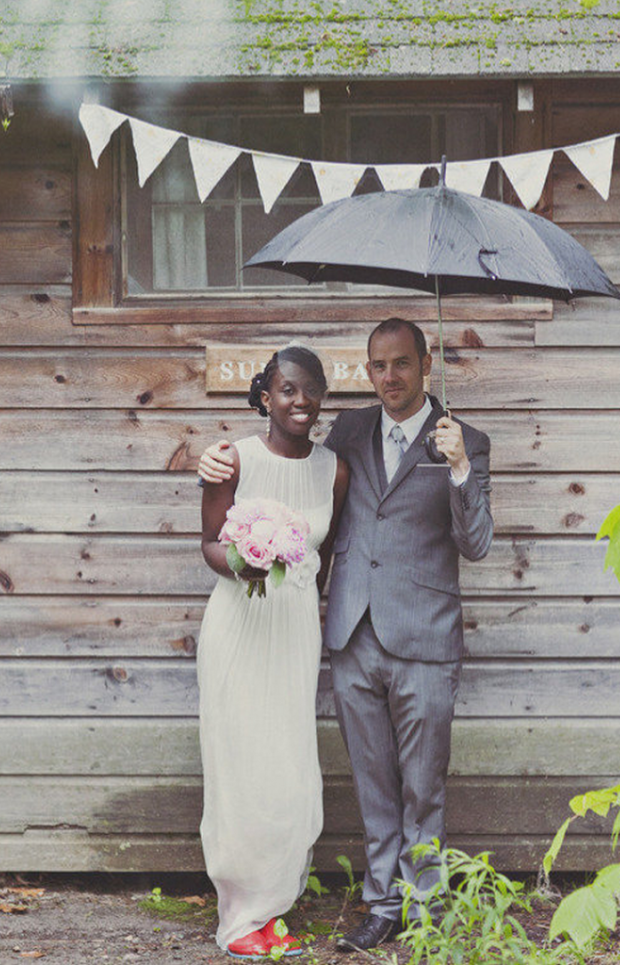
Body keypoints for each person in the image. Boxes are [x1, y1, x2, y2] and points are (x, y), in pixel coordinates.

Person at [198, 319, 492, 953]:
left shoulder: (465, 441)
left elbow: (476, 544)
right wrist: (213, 457)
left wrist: (461, 466)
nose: (390, 377)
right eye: (378, 366)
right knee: (373, 781)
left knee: (423, 783)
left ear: (425, 361)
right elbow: (286, 453)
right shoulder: (352, 432)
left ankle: (428, 905)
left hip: (425, 635)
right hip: (353, 634)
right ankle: (383, 904)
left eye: (402, 364)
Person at [198, 344, 349, 960]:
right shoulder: (233, 459)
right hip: (239, 622)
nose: (301, 402)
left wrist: (307, 602)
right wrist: (248, 562)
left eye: (312, 391)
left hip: (292, 629)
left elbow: (326, 553)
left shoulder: (333, 470)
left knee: (286, 767)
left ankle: (274, 904)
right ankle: (239, 919)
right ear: (265, 395)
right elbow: (208, 542)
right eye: (288, 390)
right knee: (240, 765)